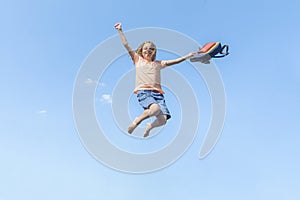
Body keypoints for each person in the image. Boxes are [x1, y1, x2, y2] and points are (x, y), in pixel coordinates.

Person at [114, 22, 195, 137]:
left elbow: (175, 61)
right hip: (144, 91)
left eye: (151, 49)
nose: (148, 50)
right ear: (141, 50)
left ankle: (149, 127)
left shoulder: (158, 63)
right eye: (145, 48)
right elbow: (126, 44)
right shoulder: (138, 60)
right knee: (155, 108)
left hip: (158, 94)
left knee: (163, 120)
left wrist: (187, 56)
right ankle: (137, 121)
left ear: (154, 52)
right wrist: (120, 30)